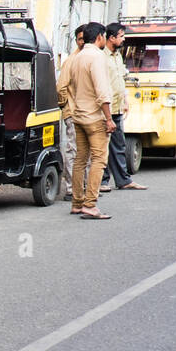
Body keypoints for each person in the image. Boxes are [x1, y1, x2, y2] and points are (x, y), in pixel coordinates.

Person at [56, 21, 115, 220]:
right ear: (99, 37)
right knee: (99, 159)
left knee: (80, 159)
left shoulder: (77, 57)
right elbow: (102, 91)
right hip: (94, 117)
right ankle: (90, 204)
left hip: (78, 116)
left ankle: (77, 203)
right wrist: (109, 118)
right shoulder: (97, 57)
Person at [101, 22, 147, 192]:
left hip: (118, 107)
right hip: (106, 109)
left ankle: (123, 180)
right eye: (121, 36)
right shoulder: (101, 57)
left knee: (118, 145)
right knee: (103, 147)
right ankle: (103, 181)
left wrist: (125, 100)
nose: (123, 39)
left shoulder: (117, 56)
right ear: (111, 38)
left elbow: (120, 80)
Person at [56, 24, 87, 200]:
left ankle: (85, 187)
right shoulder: (72, 60)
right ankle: (70, 189)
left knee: (87, 153)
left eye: (85, 39)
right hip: (74, 113)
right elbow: (61, 86)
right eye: (80, 39)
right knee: (73, 151)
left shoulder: (91, 58)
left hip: (89, 113)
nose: (82, 42)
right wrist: (65, 106)